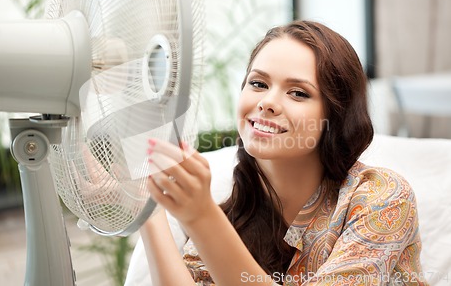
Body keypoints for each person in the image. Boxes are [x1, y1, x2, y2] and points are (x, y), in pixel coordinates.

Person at [132, 20, 428, 285]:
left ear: (337, 116)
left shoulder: (384, 199)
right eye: (258, 84)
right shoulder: (237, 213)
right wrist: (147, 209)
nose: (267, 102)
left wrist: (201, 217)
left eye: (298, 93)